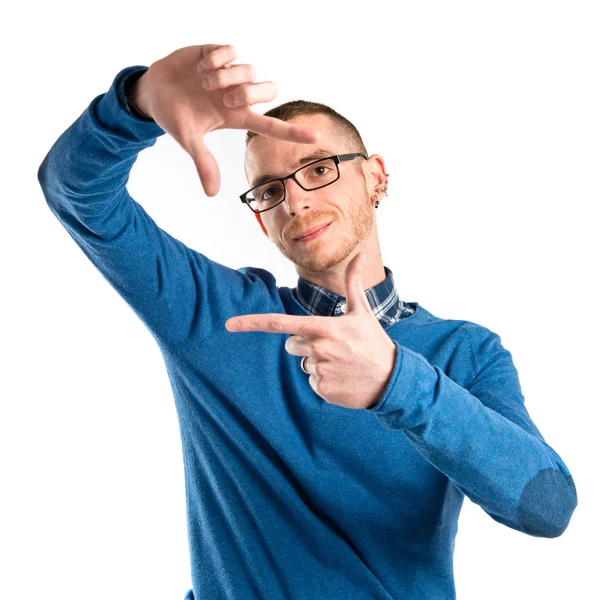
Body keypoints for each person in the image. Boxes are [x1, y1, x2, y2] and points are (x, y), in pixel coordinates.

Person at [37, 43, 578, 600]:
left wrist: (396, 381)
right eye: (270, 190)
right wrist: (136, 103)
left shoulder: (465, 353)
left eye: (317, 169)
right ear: (261, 221)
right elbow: (76, 194)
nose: (293, 201)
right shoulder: (217, 314)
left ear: (375, 178)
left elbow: (546, 506)